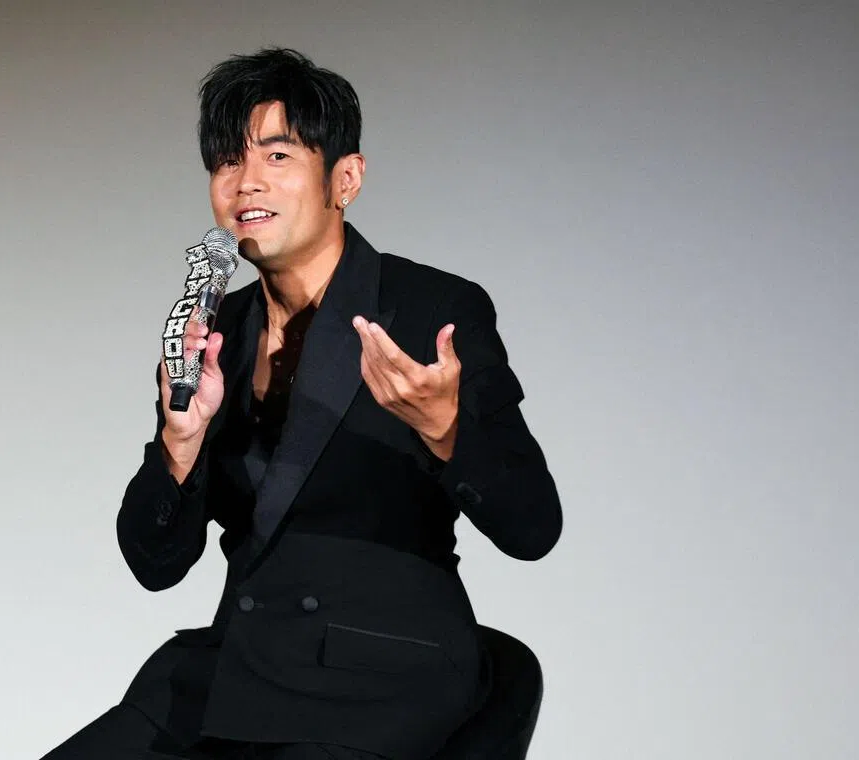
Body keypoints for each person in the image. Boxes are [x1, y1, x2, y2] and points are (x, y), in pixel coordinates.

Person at [43, 48, 562, 760]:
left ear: (344, 179)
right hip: (236, 668)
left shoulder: (431, 309)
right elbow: (155, 566)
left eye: (278, 156)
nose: (246, 181)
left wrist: (445, 429)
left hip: (382, 675)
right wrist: (179, 442)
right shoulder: (214, 325)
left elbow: (534, 526)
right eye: (227, 161)